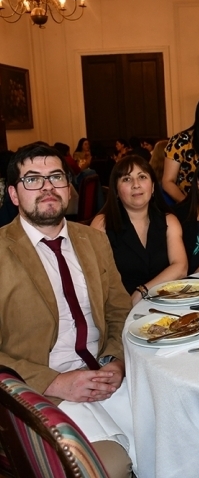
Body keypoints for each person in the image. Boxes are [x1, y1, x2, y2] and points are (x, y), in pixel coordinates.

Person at [0, 143, 134, 477]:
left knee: (184, 435)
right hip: (41, 391)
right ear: (14, 194)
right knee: (112, 466)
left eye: (56, 177)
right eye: (33, 179)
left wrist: (116, 360)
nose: (47, 187)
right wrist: (55, 383)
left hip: (105, 374)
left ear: (68, 188)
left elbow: (119, 311)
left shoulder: (93, 240)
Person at [90, 155, 187, 305]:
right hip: (120, 308)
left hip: (166, 304)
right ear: (116, 190)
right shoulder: (102, 224)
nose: (136, 185)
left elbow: (181, 267)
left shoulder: (169, 221)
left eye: (142, 177)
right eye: (126, 179)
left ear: (153, 186)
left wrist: (142, 291)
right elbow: (95, 278)